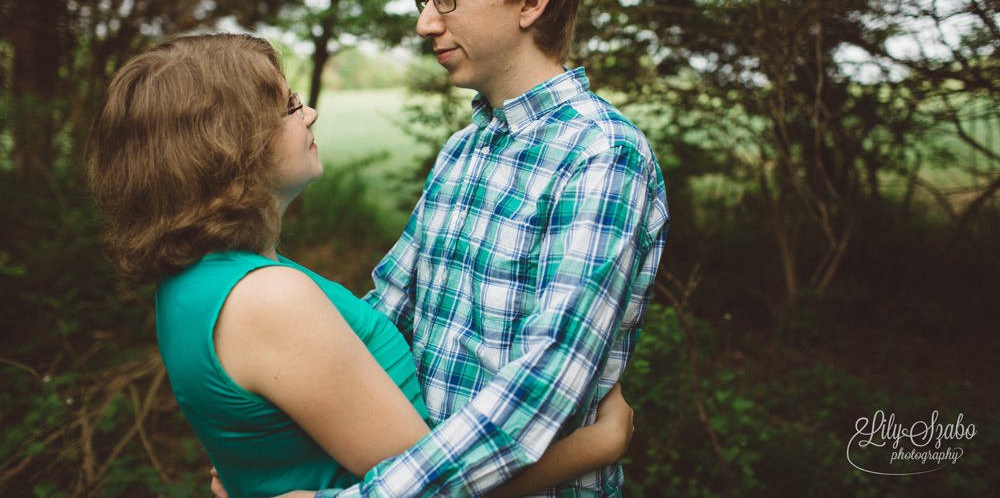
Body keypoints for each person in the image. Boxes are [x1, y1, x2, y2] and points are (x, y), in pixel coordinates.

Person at [87, 33, 635, 498]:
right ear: (226, 147)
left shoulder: (195, 282)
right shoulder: (268, 299)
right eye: (288, 105)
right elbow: (435, 485)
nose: (311, 112)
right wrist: (598, 444)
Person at [305, 0, 670, 497]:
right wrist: (275, 446)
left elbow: (535, 393)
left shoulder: (601, 156)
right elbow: (384, 320)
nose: (426, 22)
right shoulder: (462, 150)